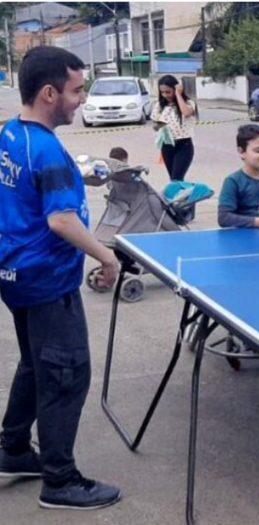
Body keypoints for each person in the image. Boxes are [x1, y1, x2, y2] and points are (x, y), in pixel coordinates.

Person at [0, 46, 122, 510]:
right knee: (66, 374)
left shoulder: (10, 132)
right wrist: (106, 258)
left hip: (14, 274)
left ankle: (13, 449)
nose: (82, 98)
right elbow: (61, 221)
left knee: (36, 364)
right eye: (76, 90)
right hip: (48, 281)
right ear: (49, 93)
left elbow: (27, 190)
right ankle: (60, 480)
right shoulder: (48, 150)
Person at [152, 75, 197, 181]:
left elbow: (186, 113)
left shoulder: (188, 103)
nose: (165, 95)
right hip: (167, 144)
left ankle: (179, 191)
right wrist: (158, 125)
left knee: (176, 178)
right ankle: (179, 192)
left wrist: (178, 94)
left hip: (183, 145)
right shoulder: (159, 105)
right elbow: (155, 126)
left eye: (168, 92)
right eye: (162, 92)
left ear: (175, 89)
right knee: (174, 179)